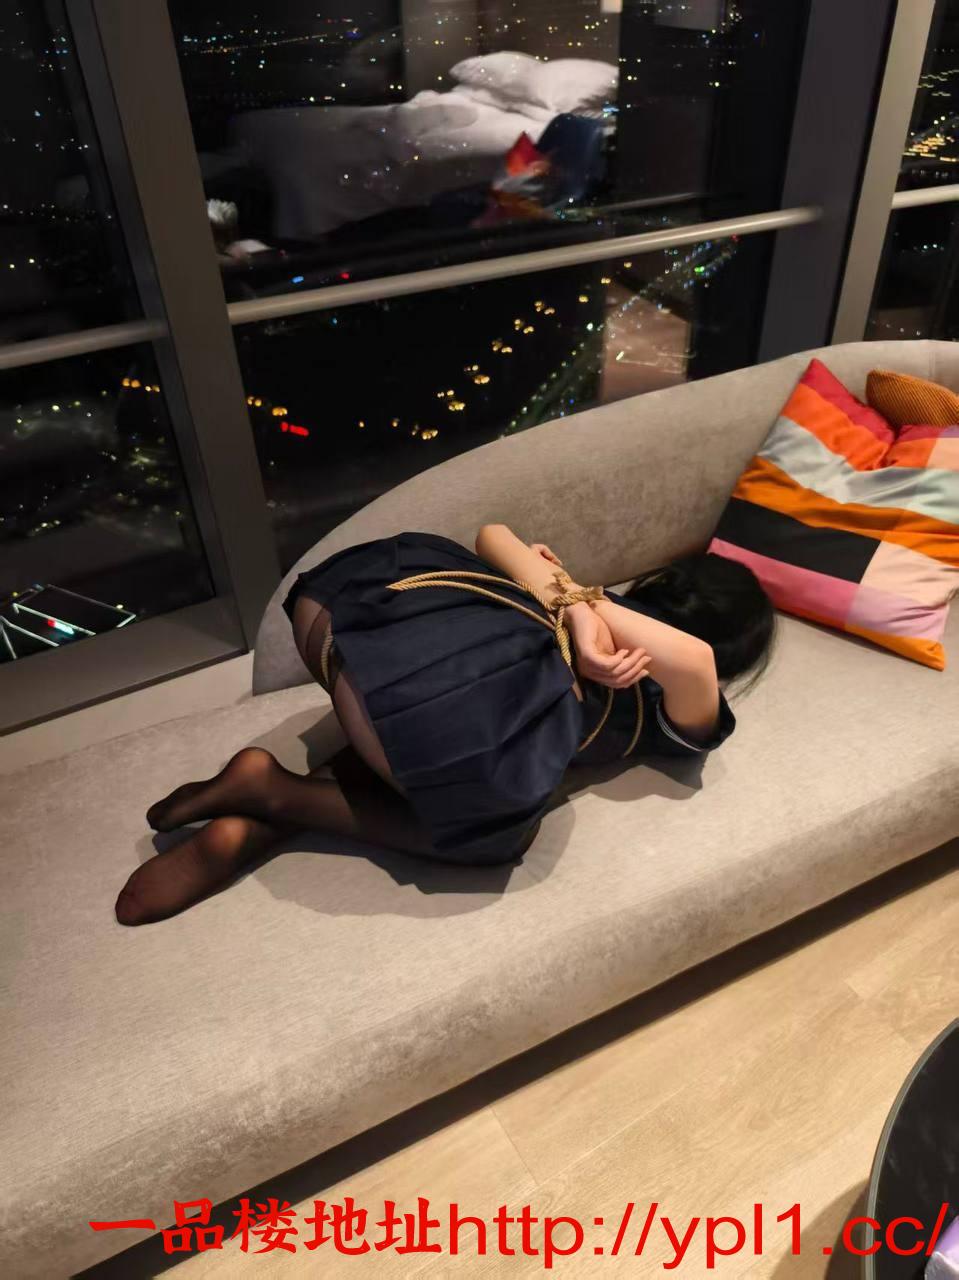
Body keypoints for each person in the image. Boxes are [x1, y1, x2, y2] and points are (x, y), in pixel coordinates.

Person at [115, 526, 776, 926]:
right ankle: (274, 794)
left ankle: (259, 825)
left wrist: (570, 594)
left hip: (348, 610)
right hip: (431, 703)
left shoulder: (582, 607)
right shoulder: (667, 692)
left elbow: (493, 537)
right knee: (497, 828)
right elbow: (695, 658)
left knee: (445, 741)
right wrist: (578, 608)